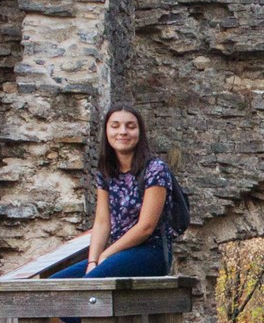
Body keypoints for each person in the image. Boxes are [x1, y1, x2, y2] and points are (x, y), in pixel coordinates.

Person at [52, 106, 185, 282]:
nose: (123, 132)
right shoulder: (107, 171)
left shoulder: (155, 169)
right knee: (52, 285)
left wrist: (107, 254)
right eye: (115, 126)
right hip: (117, 254)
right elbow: (102, 222)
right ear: (106, 131)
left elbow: (146, 227)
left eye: (130, 126)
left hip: (151, 252)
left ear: (140, 132)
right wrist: (93, 261)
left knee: (90, 285)